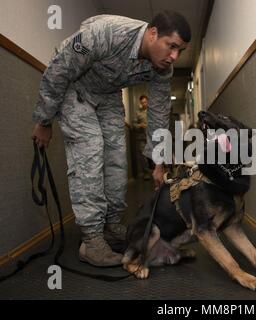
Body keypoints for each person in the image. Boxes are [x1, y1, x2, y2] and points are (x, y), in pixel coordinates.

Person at [31, 11, 191, 267]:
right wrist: (44, 120)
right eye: (171, 46)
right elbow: (59, 69)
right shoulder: (107, 33)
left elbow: (159, 114)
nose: (174, 56)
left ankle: (111, 225)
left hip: (107, 94)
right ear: (152, 34)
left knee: (117, 157)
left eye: (180, 50)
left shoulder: (163, 69)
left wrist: (158, 163)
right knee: (90, 149)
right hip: (74, 86)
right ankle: (92, 240)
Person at [133, 95, 152, 180]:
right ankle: (147, 173)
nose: (144, 104)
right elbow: (134, 124)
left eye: (145, 102)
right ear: (140, 103)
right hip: (142, 137)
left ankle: (157, 170)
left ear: (148, 101)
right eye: (142, 102)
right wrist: (140, 125)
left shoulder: (152, 111)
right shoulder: (138, 113)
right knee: (143, 155)